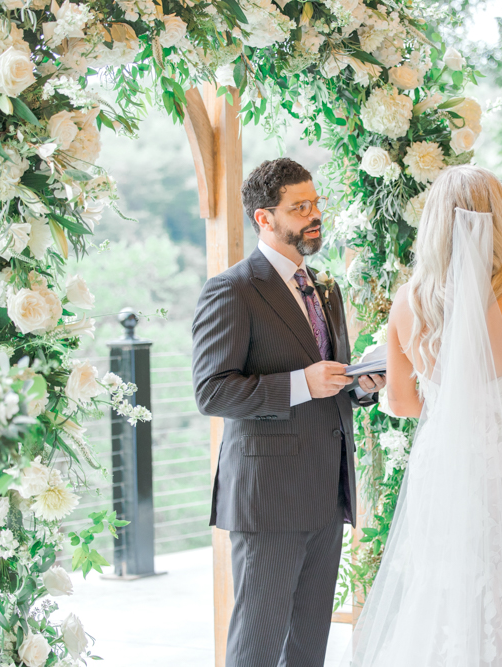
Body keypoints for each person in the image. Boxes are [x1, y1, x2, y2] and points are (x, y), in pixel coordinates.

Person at [349, 165, 502, 666]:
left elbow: (399, 403)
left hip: (441, 459)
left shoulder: (409, 301)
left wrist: (446, 408)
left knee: (439, 581)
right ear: (499, 221)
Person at [191, 158, 384, 667]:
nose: (314, 214)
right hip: (269, 498)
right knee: (258, 646)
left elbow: (329, 380)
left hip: (328, 492)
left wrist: (359, 384)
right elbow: (212, 392)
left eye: (316, 203)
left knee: (307, 648)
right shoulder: (232, 289)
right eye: (300, 208)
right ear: (264, 218)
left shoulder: (326, 287)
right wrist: (302, 383)